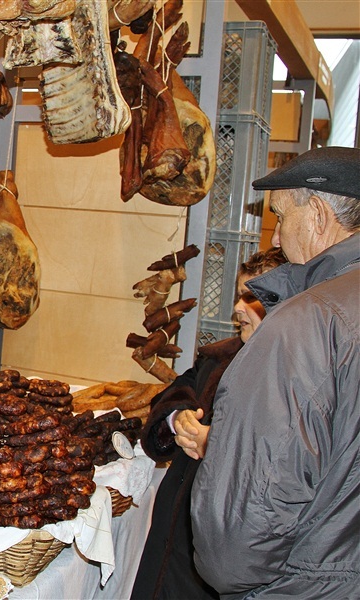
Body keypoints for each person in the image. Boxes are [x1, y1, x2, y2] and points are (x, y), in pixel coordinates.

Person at [191, 146, 360, 598]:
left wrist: (229, 575)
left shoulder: (307, 323)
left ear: (319, 214)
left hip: (306, 584)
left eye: (281, 217)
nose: (278, 240)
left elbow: (247, 515)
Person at [130, 247, 286, 600]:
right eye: (238, 295)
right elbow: (173, 394)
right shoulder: (219, 356)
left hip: (226, 550)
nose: (237, 308)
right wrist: (177, 418)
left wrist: (216, 444)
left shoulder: (290, 374)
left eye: (251, 297)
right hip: (173, 537)